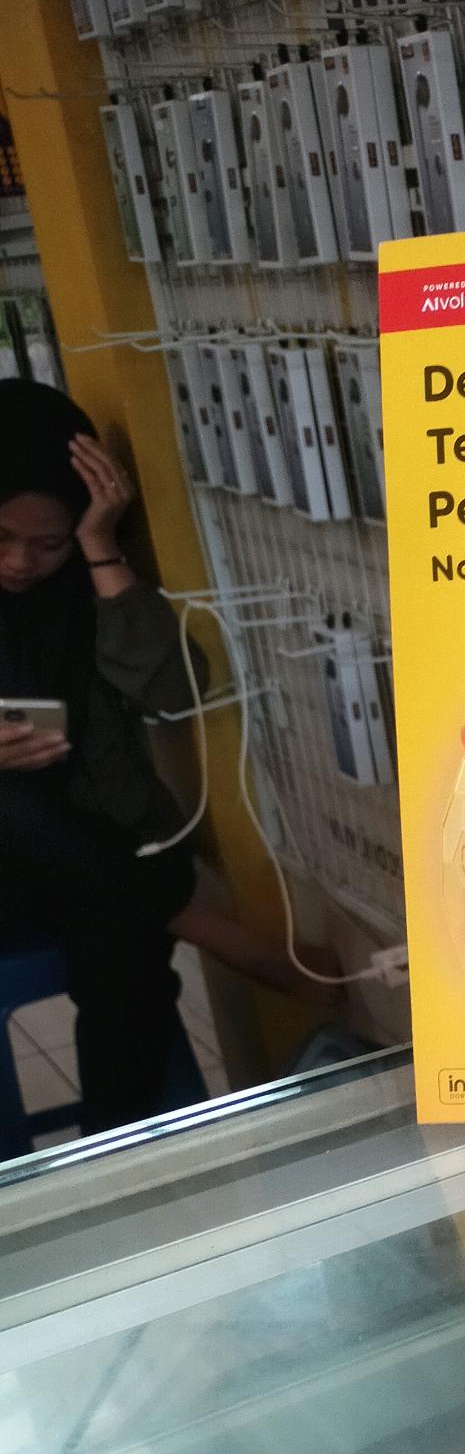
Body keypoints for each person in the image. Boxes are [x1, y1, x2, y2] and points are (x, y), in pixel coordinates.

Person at [0, 379, 206, 1132]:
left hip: (88, 865)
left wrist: (99, 546)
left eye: (48, 542)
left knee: (123, 950)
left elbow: (176, 690)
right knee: (13, 804)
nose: (20, 562)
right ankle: (187, 910)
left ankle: (116, 1152)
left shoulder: (83, 590)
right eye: (0, 537)